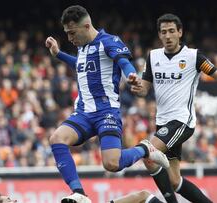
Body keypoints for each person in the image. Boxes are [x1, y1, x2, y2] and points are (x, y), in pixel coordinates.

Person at [131, 14, 217, 203]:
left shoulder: (194, 57)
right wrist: (137, 87)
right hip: (163, 123)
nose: (168, 36)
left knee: (148, 153)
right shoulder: (153, 56)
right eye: (164, 32)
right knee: (175, 181)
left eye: (171, 31)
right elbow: (144, 89)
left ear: (180, 32)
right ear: (159, 35)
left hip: (182, 121)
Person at [45, 5, 169, 203]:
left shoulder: (109, 42)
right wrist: (58, 53)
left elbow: (123, 61)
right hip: (84, 113)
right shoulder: (82, 47)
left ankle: (145, 149)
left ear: (86, 26)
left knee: (112, 164)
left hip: (106, 113)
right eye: (67, 34)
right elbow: (80, 65)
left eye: (72, 33)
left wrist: (131, 74)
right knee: (56, 138)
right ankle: (79, 193)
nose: (69, 38)